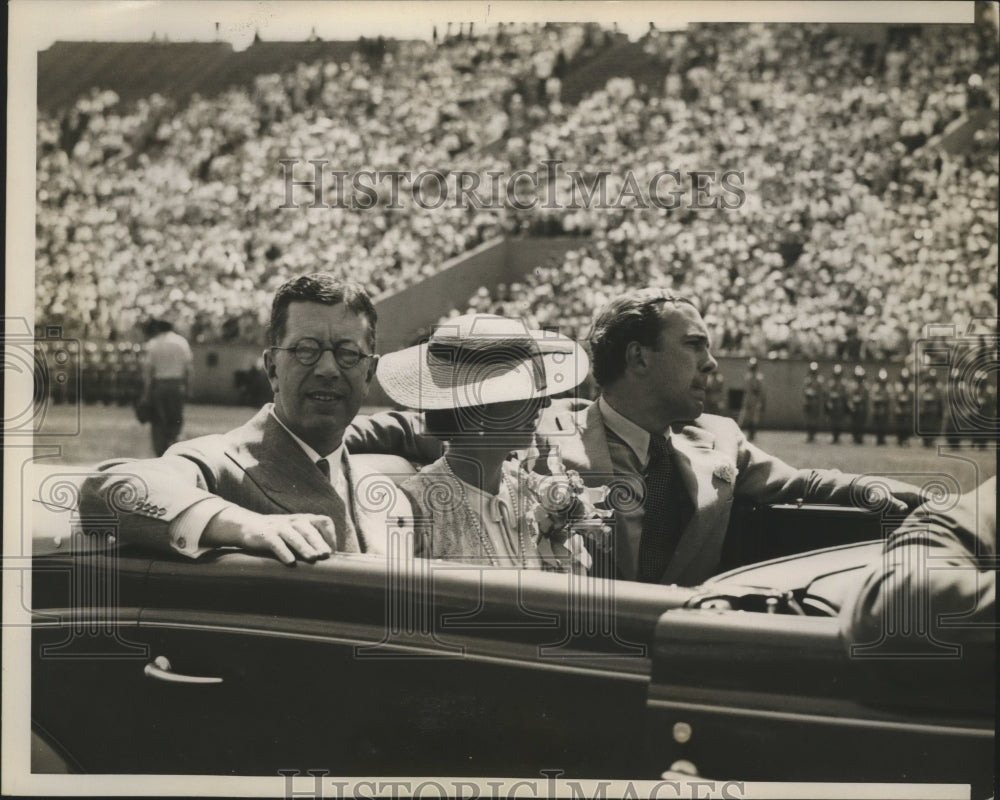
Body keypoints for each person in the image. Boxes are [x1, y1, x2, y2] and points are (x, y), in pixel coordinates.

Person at [538, 289, 927, 586]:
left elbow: (802, 483)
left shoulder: (719, 437)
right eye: (694, 345)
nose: (711, 362)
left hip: (685, 654)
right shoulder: (546, 440)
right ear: (639, 358)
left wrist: (884, 492)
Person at [81, 275, 427, 565]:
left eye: (348, 354)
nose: (327, 369)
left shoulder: (379, 490)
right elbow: (108, 490)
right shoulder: (224, 461)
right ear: (272, 368)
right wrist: (244, 525)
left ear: (369, 374)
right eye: (305, 350)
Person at [376, 314, 597, 573]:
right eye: (523, 388)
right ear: (477, 407)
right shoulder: (416, 508)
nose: (544, 402)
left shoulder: (530, 489)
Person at [141, 319, 193, 456]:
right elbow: (188, 369)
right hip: (177, 384)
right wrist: (187, 387)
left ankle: (160, 455)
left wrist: (146, 394)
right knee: (176, 421)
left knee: (158, 422)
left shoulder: (153, 343)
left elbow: (148, 371)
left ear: (158, 328)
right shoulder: (182, 342)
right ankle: (175, 453)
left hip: (159, 385)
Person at [737, 357, 765, 441]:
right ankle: (741, 433)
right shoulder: (748, 377)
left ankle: (752, 434)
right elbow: (745, 389)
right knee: (745, 416)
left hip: (755, 399)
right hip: (748, 398)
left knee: (754, 418)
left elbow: (761, 391)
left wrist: (761, 401)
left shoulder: (759, 378)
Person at [918, 369, 944, 448]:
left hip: (933, 411)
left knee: (933, 427)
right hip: (925, 411)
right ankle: (925, 441)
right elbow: (920, 401)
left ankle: (931, 441)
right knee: (925, 427)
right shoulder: (923, 389)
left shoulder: (937, 390)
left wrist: (940, 411)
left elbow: (940, 401)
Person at [825, 363, 848, 444]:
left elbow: (845, 394)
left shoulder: (843, 383)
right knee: (832, 420)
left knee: (840, 420)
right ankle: (834, 436)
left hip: (840, 403)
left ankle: (838, 436)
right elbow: (828, 393)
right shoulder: (831, 382)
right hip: (833, 404)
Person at [802, 361, 824, 443]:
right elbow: (804, 390)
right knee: (808, 419)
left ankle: (813, 435)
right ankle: (809, 435)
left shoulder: (819, 380)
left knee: (814, 419)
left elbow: (820, 391)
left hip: (815, 401)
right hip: (808, 401)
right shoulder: (808, 379)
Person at [847, 365, 869, 445]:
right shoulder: (852, 385)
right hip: (854, 406)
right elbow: (850, 396)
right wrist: (851, 405)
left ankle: (860, 437)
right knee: (853, 423)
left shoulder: (865, 385)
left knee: (861, 423)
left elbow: (865, 397)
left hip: (861, 406)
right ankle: (855, 437)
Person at [870, 368, 892, 446]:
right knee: (878, 424)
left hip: (885, 408)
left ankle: (882, 438)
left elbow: (890, 397)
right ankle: (878, 439)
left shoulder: (888, 387)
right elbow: (873, 397)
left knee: (884, 424)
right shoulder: (875, 387)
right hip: (877, 408)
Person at [893, 367, 914, 446]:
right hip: (900, 408)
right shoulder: (898, 387)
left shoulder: (911, 388)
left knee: (907, 425)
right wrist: (896, 407)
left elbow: (912, 400)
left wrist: (910, 408)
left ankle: (906, 439)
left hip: (907, 408)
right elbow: (895, 399)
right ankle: (899, 439)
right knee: (899, 424)